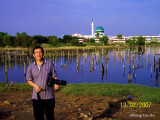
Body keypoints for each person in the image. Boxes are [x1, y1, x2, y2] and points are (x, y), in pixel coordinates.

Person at [26, 46, 59, 120]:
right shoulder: (30, 66)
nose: (39, 54)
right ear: (34, 55)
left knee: (50, 116)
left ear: (43, 53)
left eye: (40, 52)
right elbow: (29, 80)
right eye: (36, 52)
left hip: (49, 95)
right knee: (38, 116)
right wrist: (35, 86)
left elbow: (54, 76)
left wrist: (56, 83)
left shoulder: (49, 64)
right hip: (37, 96)